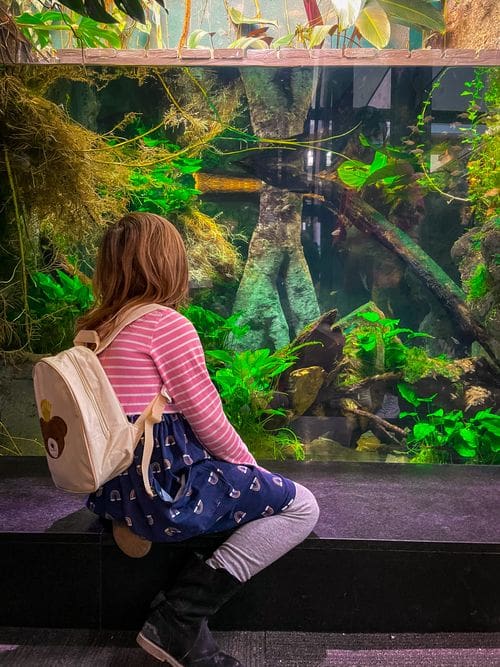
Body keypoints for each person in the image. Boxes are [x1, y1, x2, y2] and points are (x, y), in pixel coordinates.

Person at [77, 212, 320, 667]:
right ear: (168, 263)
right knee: (303, 506)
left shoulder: (92, 331)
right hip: (167, 488)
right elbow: (208, 419)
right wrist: (252, 470)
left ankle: (128, 517)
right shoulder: (166, 326)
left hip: (113, 484)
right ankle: (180, 617)